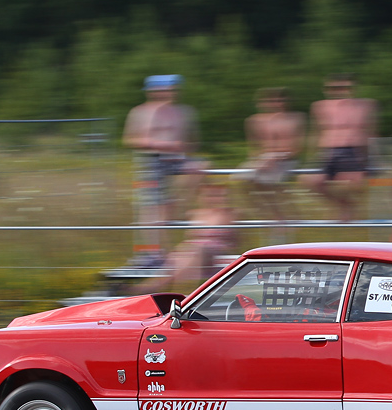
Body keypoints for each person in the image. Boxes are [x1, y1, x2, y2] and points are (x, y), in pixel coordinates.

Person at [122, 74, 206, 265]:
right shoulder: (140, 112)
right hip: (151, 159)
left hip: (177, 158)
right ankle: (156, 252)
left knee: (200, 167)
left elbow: (193, 140)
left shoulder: (183, 112)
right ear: (153, 91)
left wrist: (183, 148)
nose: (170, 94)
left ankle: (179, 202)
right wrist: (160, 144)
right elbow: (130, 139)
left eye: (172, 90)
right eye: (165, 90)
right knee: (151, 207)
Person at [132, 182, 236, 294]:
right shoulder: (195, 213)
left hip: (211, 252)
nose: (213, 199)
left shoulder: (227, 213)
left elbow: (233, 240)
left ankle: (152, 288)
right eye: (209, 195)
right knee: (184, 255)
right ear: (201, 197)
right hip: (192, 251)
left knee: (196, 253)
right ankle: (168, 290)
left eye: (218, 195)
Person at [304, 73, 378, 222]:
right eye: (335, 88)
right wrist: (310, 156)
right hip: (328, 149)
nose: (340, 91)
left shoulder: (365, 105)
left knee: (356, 184)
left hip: (354, 148)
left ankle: (349, 207)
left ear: (353, 88)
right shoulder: (320, 106)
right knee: (312, 182)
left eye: (344, 87)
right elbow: (315, 132)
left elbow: (372, 130)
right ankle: (344, 205)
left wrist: (372, 155)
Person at [241, 87, 305, 225]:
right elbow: (253, 147)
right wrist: (260, 159)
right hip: (264, 159)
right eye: (272, 100)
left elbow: (297, 147)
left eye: (280, 100)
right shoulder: (254, 121)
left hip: (285, 158)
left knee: (270, 182)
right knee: (241, 179)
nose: (277, 104)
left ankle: (287, 214)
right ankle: (270, 214)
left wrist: (277, 157)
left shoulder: (295, 119)